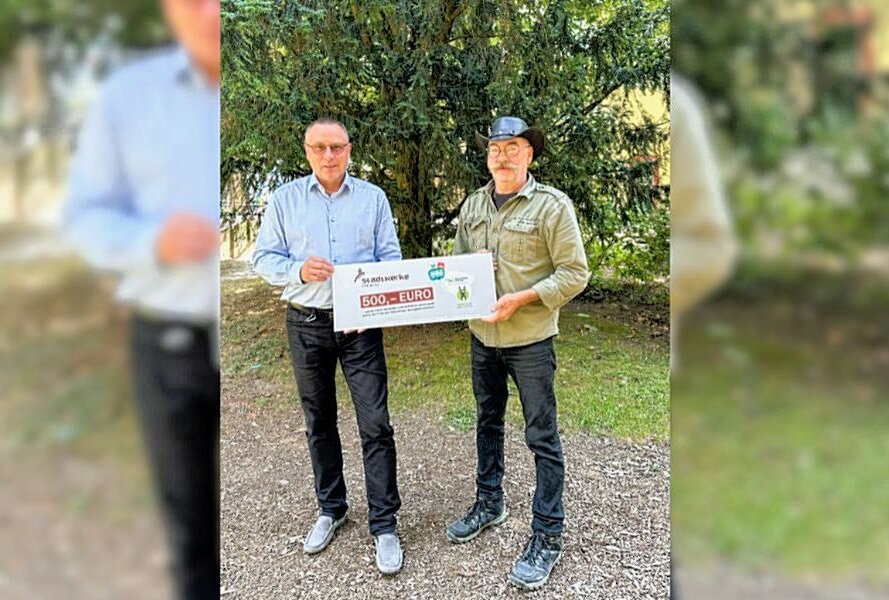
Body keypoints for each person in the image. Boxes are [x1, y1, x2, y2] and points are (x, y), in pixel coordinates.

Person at [62, 1, 221, 598]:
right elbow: (83, 217)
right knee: (189, 533)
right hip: (168, 344)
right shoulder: (127, 97)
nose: (213, 11)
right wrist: (150, 241)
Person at [252, 118, 405, 575]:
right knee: (318, 420)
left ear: (349, 150)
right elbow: (263, 258)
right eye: (319, 147)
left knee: (375, 423)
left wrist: (371, 306)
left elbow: (391, 260)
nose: (328, 155)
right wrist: (298, 270)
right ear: (307, 152)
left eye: (336, 147)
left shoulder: (373, 199)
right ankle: (331, 507)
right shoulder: (284, 201)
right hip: (306, 324)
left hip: (360, 330)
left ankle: (384, 524)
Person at [449, 116, 590, 591]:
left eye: (512, 147)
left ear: (529, 154)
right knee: (487, 422)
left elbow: (575, 273)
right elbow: (456, 268)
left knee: (541, 436)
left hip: (530, 340)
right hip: (482, 340)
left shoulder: (552, 207)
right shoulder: (472, 206)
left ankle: (547, 534)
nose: (502, 156)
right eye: (495, 148)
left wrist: (523, 297)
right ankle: (490, 503)